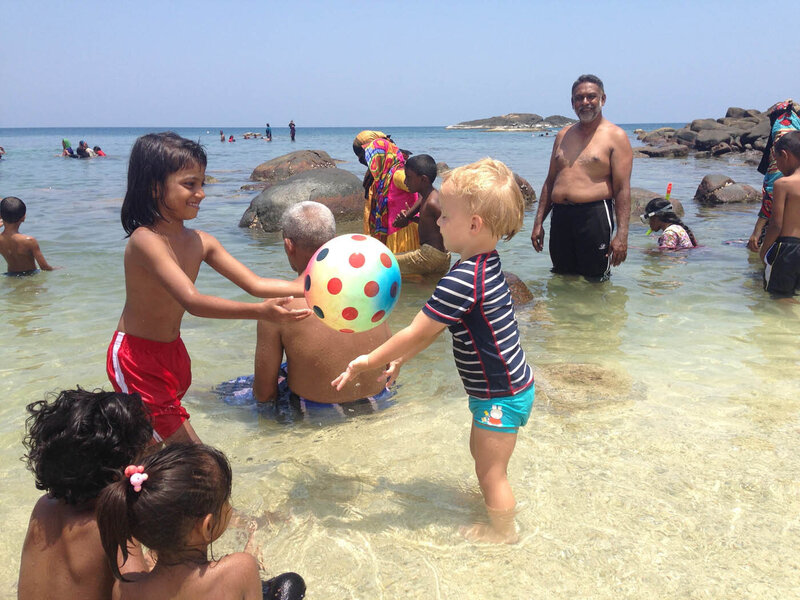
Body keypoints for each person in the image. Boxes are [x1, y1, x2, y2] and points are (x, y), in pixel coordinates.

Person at [332, 158, 534, 543]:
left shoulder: (461, 280)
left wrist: (367, 361)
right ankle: (492, 503)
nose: (437, 223)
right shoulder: (483, 265)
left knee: (493, 473)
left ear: (473, 225)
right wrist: (402, 359)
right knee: (483, 460)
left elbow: (415, 330)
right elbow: (436, 332)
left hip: (500, 396)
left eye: (445, 217)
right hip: (504, 389)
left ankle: (503, 533)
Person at [106, 132, 310, 446]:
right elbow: (193, 301)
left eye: (202, 183)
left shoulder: (201, 241)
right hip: (137, 360)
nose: (201, 193)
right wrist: (261, 311)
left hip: (173, 356)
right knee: (195, 458)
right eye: (190, 184)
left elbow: (255, 284)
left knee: (152, 449)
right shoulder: (145, 240)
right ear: (154, 186)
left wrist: (308, 285)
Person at [242, 201, 395, 421]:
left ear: (288, 245)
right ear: (333, 241)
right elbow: (390, 361)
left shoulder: (280, 305)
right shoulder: (368, 286)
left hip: (317, 414)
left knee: (232, 390)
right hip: (381, 400)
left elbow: (264, 394)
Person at [96, 443, 306, 600]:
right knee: (290, 583)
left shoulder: (127, 590)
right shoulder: (240, 568)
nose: (229, 507)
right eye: (226, 501)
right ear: (207, 527)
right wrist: (250, 559)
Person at [18, 388, 154, 600]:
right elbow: (140, 595)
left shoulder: (43, 507)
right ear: (119, 469)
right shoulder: (111, 522)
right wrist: (161, 559)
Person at [531, 74, 633, 280]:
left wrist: (622, 235)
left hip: (594, 216)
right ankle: (564, 313)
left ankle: (597, 313)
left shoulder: (616, 137)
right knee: (561, 277)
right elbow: (550, 181)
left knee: (595, 280)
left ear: (603, 99)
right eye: (579, 98)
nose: (585, 102)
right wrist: (538, 222)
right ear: (572, 103)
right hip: (560, 217)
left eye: (591, 97)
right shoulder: (563, 135)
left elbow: (622, 189)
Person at [352, 130, 420, 253]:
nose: (368, 161)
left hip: (403, 235)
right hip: (390, 232)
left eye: (369, 156)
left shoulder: (397, 174)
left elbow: (425, 190)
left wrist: (409, 215)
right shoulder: (379, 177)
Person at [747, 100, 800, 252]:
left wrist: (757, 232)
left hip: (787, 245)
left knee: (760, 255)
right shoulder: (793, 127)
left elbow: (772, 194)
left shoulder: (782, 128)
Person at [392, 154, 451, 279]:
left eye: (408, 177)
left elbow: (452, 224)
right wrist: (411, 218)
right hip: (441, 256)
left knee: (387, 263)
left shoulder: (432, 203)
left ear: (423, 180)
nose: (405, 181)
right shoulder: (429, 195)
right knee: (427, 286)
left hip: (429, 256)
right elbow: (436, 225)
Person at [761, 131, 800, 296]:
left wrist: (764, 251)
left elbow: (776, 224)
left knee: (779, 300)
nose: (777, 166)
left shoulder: (782, 184)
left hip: (786, 248)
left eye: (777, 161)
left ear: (785, 155)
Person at [0, 196, 56, 274]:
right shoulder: (29, 241)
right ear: (23, 218)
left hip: (10, 275)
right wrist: (56, 269)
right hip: (30, 275)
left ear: (1, 216)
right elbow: (44, 267)